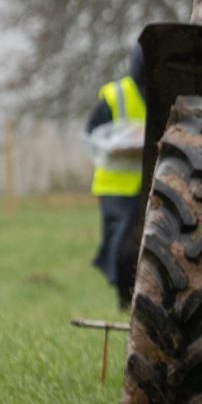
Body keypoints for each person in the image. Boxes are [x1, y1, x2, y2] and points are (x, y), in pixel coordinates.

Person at [88, 43, 147, 305]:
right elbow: (94, 134)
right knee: (121, 247)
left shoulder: (169, 90)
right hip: (116, 186)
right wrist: (124, 140)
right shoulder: (117, 94)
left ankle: (137, 297)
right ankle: (125, 297)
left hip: (151, 183)